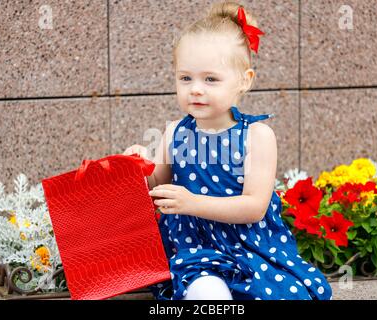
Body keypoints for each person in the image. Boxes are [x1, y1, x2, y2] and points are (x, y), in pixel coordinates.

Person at [123, 1, 332, 300]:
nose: (196, 88)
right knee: (206, 292)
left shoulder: (257, 136)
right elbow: (158, 185)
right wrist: (140, 167)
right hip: (194, 247)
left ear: (244, 81)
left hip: (248, 245)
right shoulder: (174, 132)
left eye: (210, 79)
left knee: (276, 293)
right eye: (185, 78)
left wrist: (191, 202)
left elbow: (253, 207)